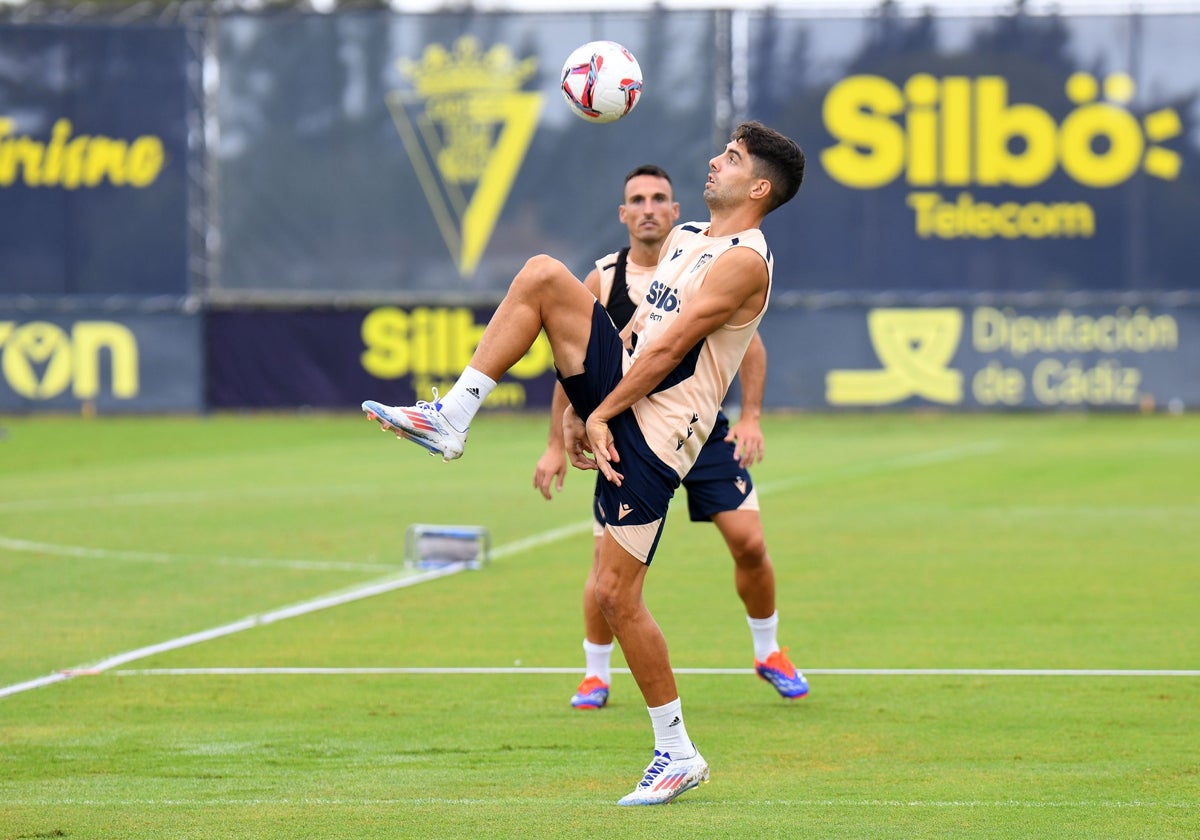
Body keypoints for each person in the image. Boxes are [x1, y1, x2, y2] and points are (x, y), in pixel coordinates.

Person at [362, 121, 805, 806]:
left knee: (615, 596)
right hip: (626, 399)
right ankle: (453, 415)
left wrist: (601, 411)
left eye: (733, 158)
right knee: (542, 274)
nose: (714, 162)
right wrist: (576, 407)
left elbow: (671, 350)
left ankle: (678, 751)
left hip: (661, 433)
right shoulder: (689, 237)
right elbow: (636, 335)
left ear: (758, 187)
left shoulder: (745, 260)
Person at [530, 164, 808, 713]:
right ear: (624, 214)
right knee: (605, 573)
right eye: (638, 199)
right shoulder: (604, 279)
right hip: (624, 424)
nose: (650, 208)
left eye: (660, 197)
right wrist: (558, 439)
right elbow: (575, 360)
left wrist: (751, 416)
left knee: (749, 543)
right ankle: (594, 675)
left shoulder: (720, 259)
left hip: (697, 433)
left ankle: (768, 650)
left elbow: (747, 348)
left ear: (676, 211)